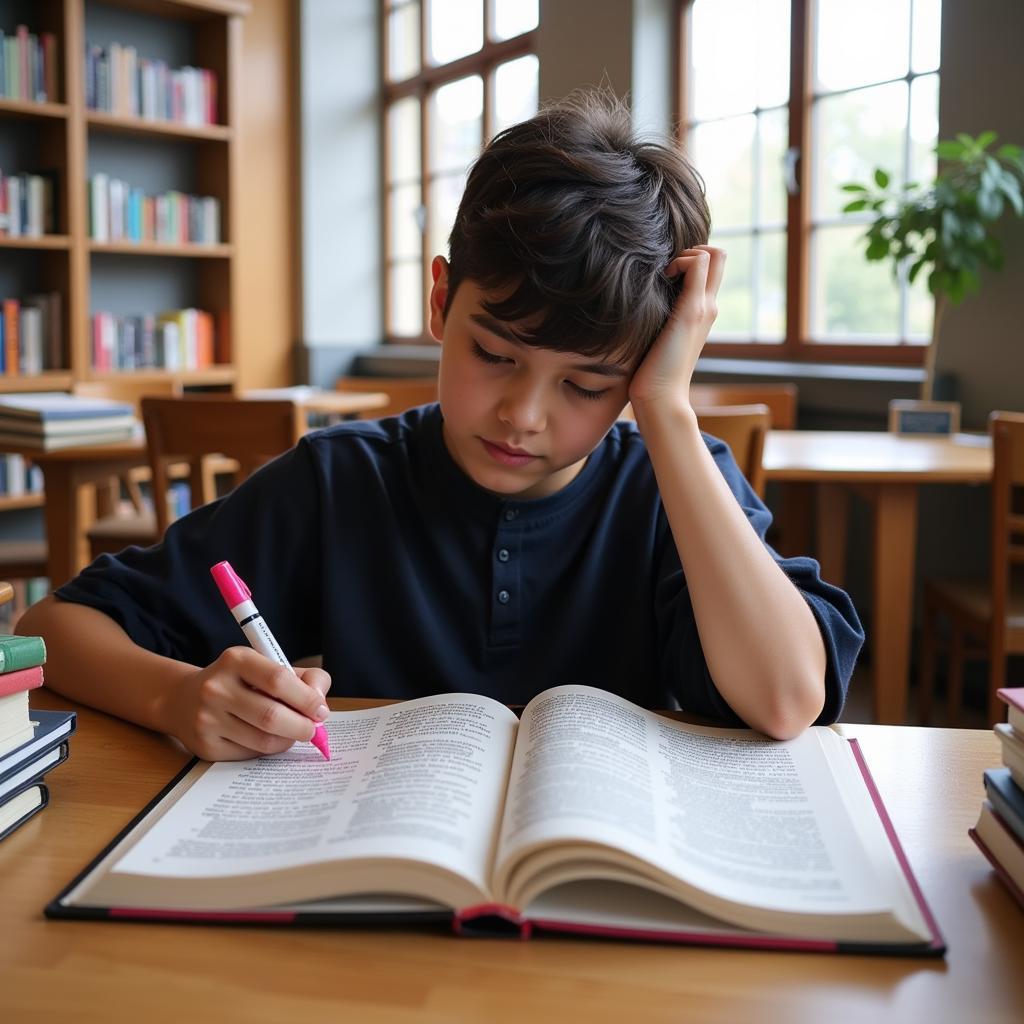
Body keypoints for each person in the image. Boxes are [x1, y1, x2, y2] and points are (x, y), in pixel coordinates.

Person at [18, 92, 863, 761]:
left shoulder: (673, 489)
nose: (523, 416)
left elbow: (788, 700)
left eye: (586, 383)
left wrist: (668, 413)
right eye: (494, 354)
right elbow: (51, 628)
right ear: (439, 301)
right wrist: (176, 697)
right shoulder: (339, 481)